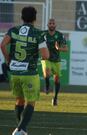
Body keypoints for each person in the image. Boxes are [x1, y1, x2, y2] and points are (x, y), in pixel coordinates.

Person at [0, 6, 49, 135]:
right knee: (31, 102)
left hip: (14, 73)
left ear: (22, 17)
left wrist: (7, 59)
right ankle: (20, 129)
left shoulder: (13, 30)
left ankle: (22, 130)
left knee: (19, 100)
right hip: (29, 73)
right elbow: (45, 56)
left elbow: (2, 44)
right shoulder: (39, 33)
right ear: (35, 18)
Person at [41, 18, 68, 106]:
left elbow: (66, 49)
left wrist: (58, 48)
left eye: (53, 23)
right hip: (46, 58)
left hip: (56, 60)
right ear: (47, 25)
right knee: (47, 73)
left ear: (55, 25)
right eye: (50, 23)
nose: (52, 25)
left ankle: (55, 98)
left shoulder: (60, 35)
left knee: (56, 79)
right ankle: (47, 86)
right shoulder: (43, 34)